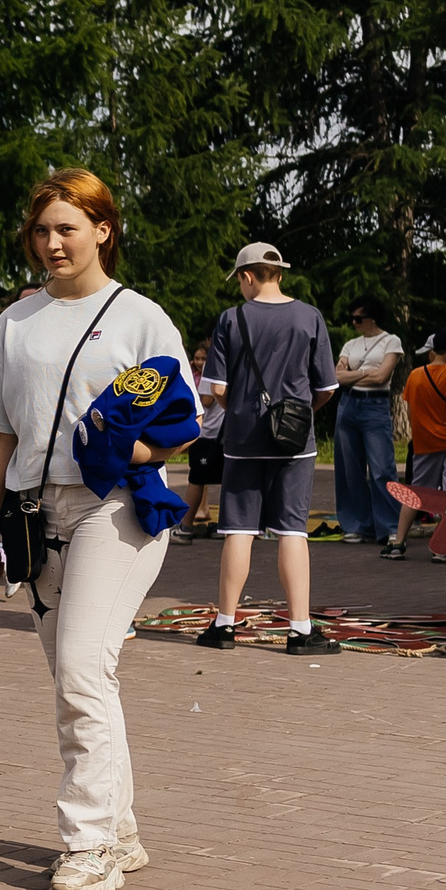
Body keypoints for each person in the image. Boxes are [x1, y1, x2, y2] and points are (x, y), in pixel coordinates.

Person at [0, 169, 186, 890]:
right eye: (42, 230)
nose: (53, 242)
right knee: (80, 675)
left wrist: (136, 452)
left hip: (114, 508)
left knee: (83, 669)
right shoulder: (15, 322)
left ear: (103, 228)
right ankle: (120, 828)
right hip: (36, 514)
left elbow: (181, 426)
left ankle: (88, 843)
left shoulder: (141, 317)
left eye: (67, 226)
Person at [197, 243, 339, 653]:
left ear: (247, 276)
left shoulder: (231, 319)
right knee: (293, 530)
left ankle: (224, 625)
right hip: (295, 443)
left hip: (242, 441)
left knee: (237, 530)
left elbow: (218, 388)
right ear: (279, 273)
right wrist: (299, 414)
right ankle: (299, 630)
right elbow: (326, 387)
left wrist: (242, 411)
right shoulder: (309, 316)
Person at [389, 327, 446, 558]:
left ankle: (398, 543)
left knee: (416, 492)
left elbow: (409, 410)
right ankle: (442, 549)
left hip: (423, 445)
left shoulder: (415, 375)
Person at [331, 296, 404, 544]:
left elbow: (382, 377)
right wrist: (364, 373)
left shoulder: (391, 341)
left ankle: (390, 525)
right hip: (348, 404)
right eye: (352, 318)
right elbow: (336, 376)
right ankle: (357, 525)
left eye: (359, 318)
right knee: (349, 468)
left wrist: (352, 375)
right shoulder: (351, 344)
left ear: (372, 317)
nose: (354, 323)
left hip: (375, 405)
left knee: (382, 467)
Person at [174, 340, 222, 540]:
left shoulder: (209, 376)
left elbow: (206, 401)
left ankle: (185, 527)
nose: (201, 363)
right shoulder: (230, 373)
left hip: (207, 435)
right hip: (222, 435)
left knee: (196, 480)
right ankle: (226, 525)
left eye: (205, 358)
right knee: (227, 480)